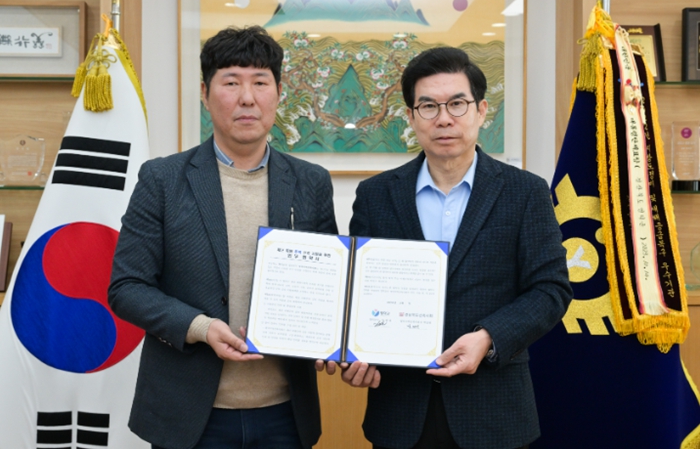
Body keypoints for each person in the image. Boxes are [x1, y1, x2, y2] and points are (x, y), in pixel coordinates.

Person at [318, 47, 572, 449]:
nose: (444, 118)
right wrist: (353, 355)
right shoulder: (376, 195)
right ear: (410, 116)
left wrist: (488, 337)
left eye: (457, 103)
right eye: (428, 106)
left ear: (481, 110)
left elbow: (551, 289)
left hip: (493, 410)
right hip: (400, 411)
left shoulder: (525, 192)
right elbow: (360, 294)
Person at [109, 26, 338, 449]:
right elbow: (127, 287)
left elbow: (330, 286)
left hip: (286, 413)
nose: (247, 98)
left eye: (260, 83)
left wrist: (336, 337)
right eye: (231, 82)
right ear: (205, 92)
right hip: (189, 414)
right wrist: (201, 327)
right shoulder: (163, 179)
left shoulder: (311, 182)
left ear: (279, 92)